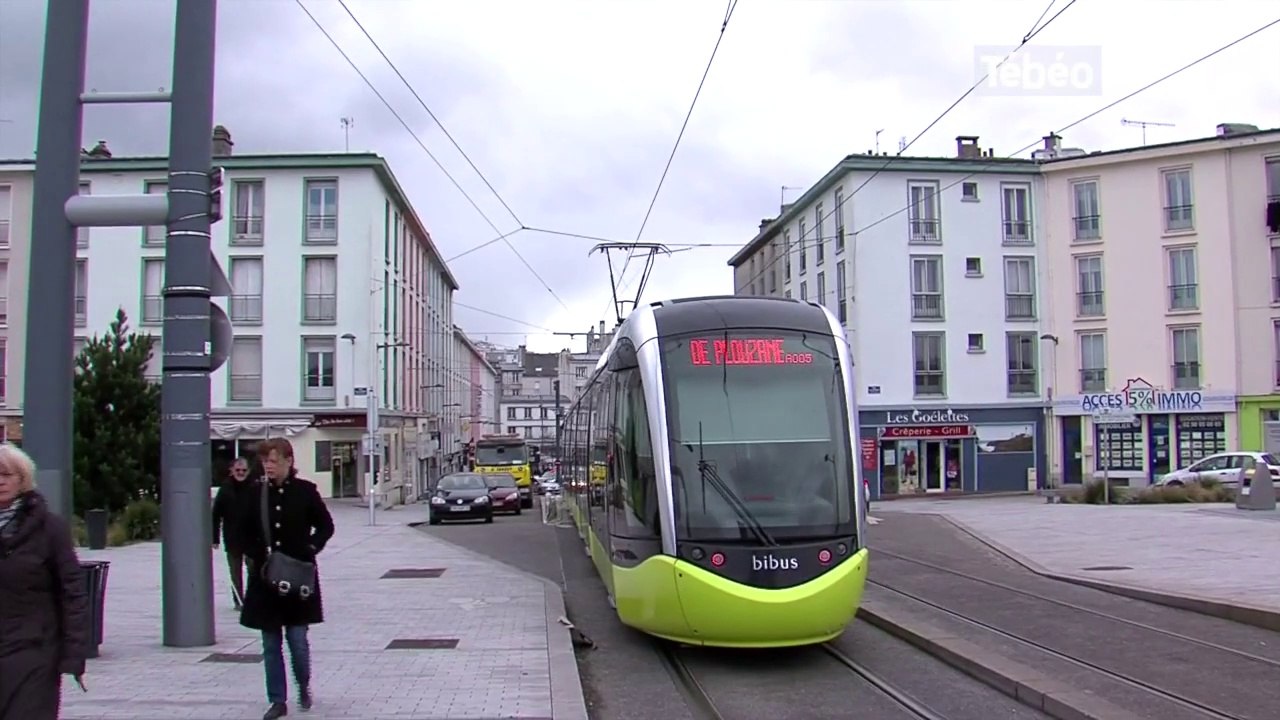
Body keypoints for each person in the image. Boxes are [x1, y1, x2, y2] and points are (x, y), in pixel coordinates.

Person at [238, 438, 334, 720]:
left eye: (274, 461)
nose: (269, 466)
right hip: (266, 581)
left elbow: (326, 526)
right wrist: (255, 555)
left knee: (297, 642)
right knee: (270, 644)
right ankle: (277, 700)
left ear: (289, 462)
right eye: (265, 461)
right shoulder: (256, 495)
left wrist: (311, 548)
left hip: (296, 579)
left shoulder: (306, 492)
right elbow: (242, 531)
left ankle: (303, 684)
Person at [0, 443, 89, 720]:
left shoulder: (49, 528)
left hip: (33, 652)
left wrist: (73, 653)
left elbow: (72, 592)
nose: (0, 482)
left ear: (22, 479)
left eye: (7, 475)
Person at [212, 456, 257, 610]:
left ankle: (252, 599)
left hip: (252, 537)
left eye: (244, 470)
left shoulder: (254, 487)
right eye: (238, 470)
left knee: (254, 569)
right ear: (231, 470)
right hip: (232, 538)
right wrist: (215, 538)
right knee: (235, 572)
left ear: (249, 471)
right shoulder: (225, 489)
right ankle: (238, 601)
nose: (241, 473)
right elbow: (216, 515)